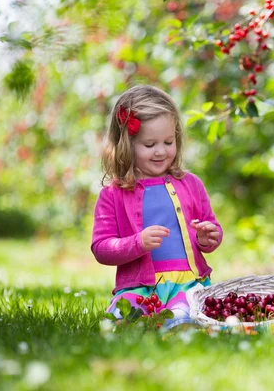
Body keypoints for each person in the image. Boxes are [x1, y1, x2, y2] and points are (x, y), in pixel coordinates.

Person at [91, 85, 222, 327]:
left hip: (188, 283)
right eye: (149, 145)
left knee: (185, 316)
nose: (161, 151)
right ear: (126, 145)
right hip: (139, 286)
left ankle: (178, 323)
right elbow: (101, 247)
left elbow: (210, 228)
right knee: (121, 319)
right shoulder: (113, 194)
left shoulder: (191, 184)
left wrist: (207, 237)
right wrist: (137, 243)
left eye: (168, 142)